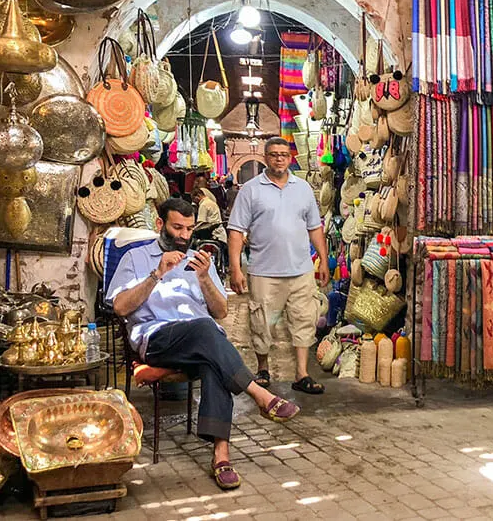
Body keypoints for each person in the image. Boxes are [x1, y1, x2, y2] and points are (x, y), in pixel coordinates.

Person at [106, 198, 300, 490]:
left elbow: (221, 311)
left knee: (212, 352)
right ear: (160, 225)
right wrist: (156, 274)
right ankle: (259, 393)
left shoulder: (198, 259)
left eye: (189, 228)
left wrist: (205, 278)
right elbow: (120, 307)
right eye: (177, 228)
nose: (184, 235)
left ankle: (221, 458)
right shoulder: (135, 259)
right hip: (158, 339)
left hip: (201, 341)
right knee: (205, 330)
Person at [227, 137, 330, 394]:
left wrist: (324, 260)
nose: (279, 159)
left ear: (290, 158)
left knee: (304, 320)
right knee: (261, 322)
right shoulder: (251, 190)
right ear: (266, 157)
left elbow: (315, 227)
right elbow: (236, 231)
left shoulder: (303, 188)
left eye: (284, 154)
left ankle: (302, 374)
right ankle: (263, 369)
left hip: (301, 270)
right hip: (264, 271)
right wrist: (235, 268)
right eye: (274, 154)